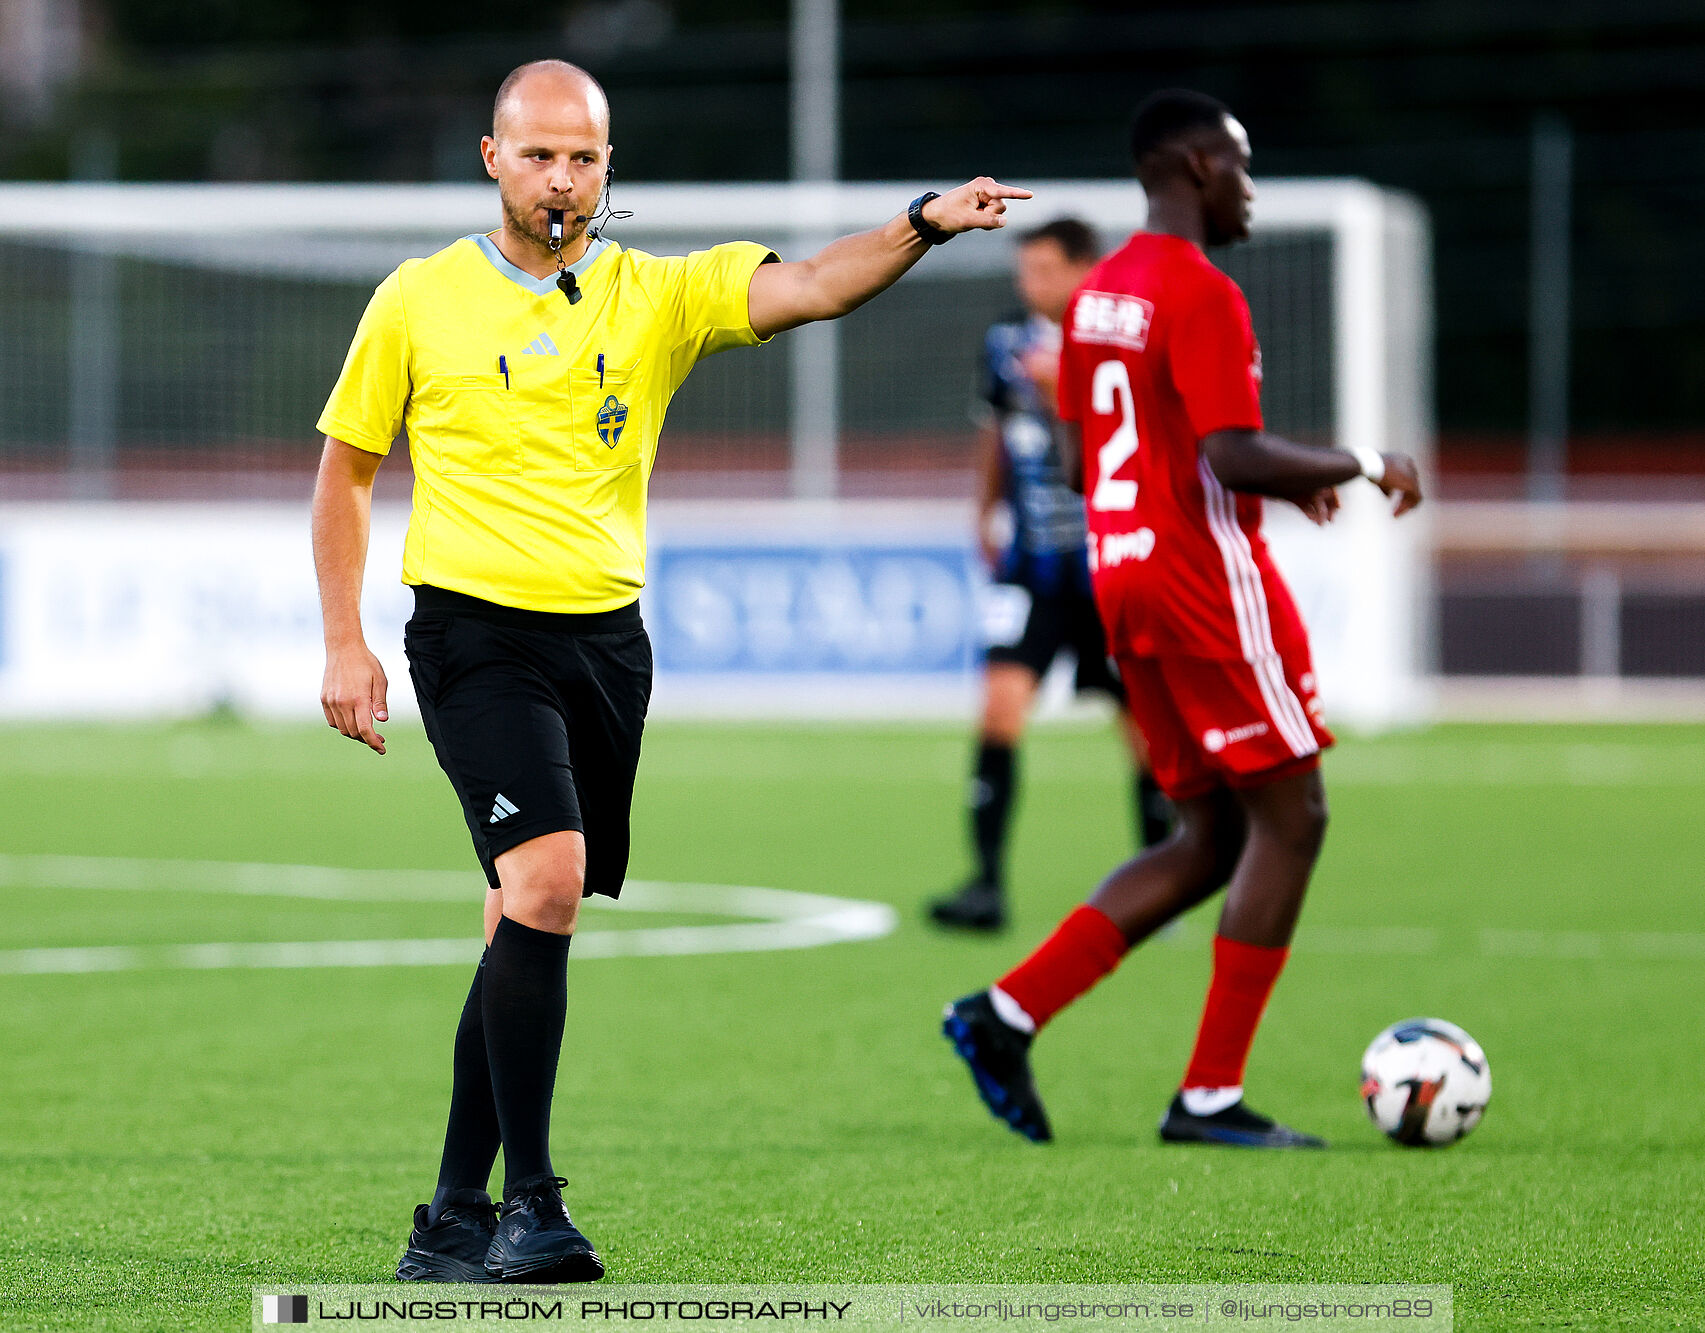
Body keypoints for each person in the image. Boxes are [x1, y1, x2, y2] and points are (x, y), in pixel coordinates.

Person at [311, 58, 1030, 1284]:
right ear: (493, 159)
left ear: (608, 169)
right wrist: (344, 639)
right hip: (473, 635)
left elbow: (807, 285)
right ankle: (531, 1204)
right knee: (547, 881)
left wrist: (920, 223)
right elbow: (346, 471)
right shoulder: (418, 299)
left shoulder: (654, 292)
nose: (561, 178)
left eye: (583, 157)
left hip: (606, 642)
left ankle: (444, 1218)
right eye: (538, 154)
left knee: (520, 915)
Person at [940, 89, 1422, 1148]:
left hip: (1118, 579)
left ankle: (1004, 1012)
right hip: (1204, 582)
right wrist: (1362, 461)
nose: (1249, 187)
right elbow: (1231, 453)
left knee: (1208, 836)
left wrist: (1236, 476)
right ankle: (1207, 1093)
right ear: (1198, 167)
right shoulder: (1198, 291)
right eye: (1241, 165)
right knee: (1295, 817)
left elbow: (1076, 460)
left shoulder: (1096, 298)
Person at [929, 218, 1170, 933]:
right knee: (998, 710)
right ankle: (985, 884)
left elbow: (1142, 445)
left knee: (1144, 732)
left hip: (1109, 566)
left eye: (1041, 269)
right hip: (1031, 565)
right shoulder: (1005, 342)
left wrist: (1063, 384)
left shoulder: (1121, 341)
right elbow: (993, 434)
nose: (1027, 284)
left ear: (1083, 269)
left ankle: (1159, 886)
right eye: (1022, 270)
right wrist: (984, 514)